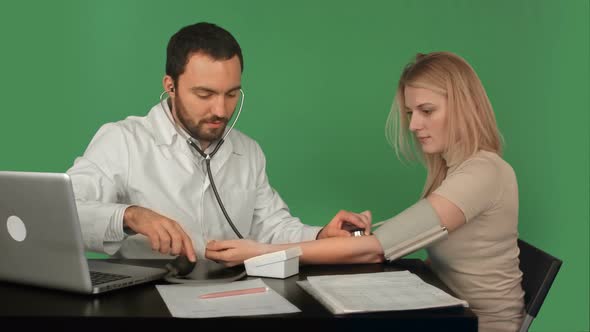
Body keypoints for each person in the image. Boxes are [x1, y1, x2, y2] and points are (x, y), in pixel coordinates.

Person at [205, 51, 525, 332]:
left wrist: (260, 252)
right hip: (451, 312)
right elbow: (399, 236)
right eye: (411, 113)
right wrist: (369, 234)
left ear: (464, 107)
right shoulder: (452, 170)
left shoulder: (483, 173)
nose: (413, 125)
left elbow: (378, 249)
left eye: (427, 111)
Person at [67, 22, 368, 263]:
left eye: (231, 94)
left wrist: (320, 236)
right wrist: (130, 216)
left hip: (230, 296)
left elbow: (272, 227)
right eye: (205, 95)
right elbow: (65, 213)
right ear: (170, 86)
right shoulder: (123, 140)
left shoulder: (247, 152)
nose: (221, 111)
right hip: (145, 302)